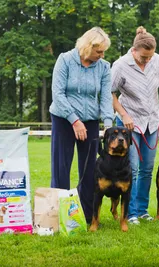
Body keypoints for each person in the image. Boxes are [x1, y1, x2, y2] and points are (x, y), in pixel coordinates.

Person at [49, 27, 113, 224]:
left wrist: (108, 125)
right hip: (63, 120)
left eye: (103, 52)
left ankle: (85, 216)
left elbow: (105, 98)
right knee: (61, 168)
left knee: (88, 171)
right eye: (99, 51)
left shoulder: (103, 67)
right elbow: (57, 94)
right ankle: (59, 217)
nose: (102, 55)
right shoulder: (65, 60)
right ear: (87, 47)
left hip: (91, 121)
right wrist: (74, 120)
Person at [111, 26, 159, 225]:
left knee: (147, 168)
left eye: (150, 56)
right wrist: (123, 114)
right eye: (143, 57)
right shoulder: (121, 65)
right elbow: (109, 94)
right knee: (133, 168)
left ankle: (142, 210)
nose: (147, 60)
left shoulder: (158, 61)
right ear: (134, 50)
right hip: (129, 124)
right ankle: (129, 213)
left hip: (152, 122)